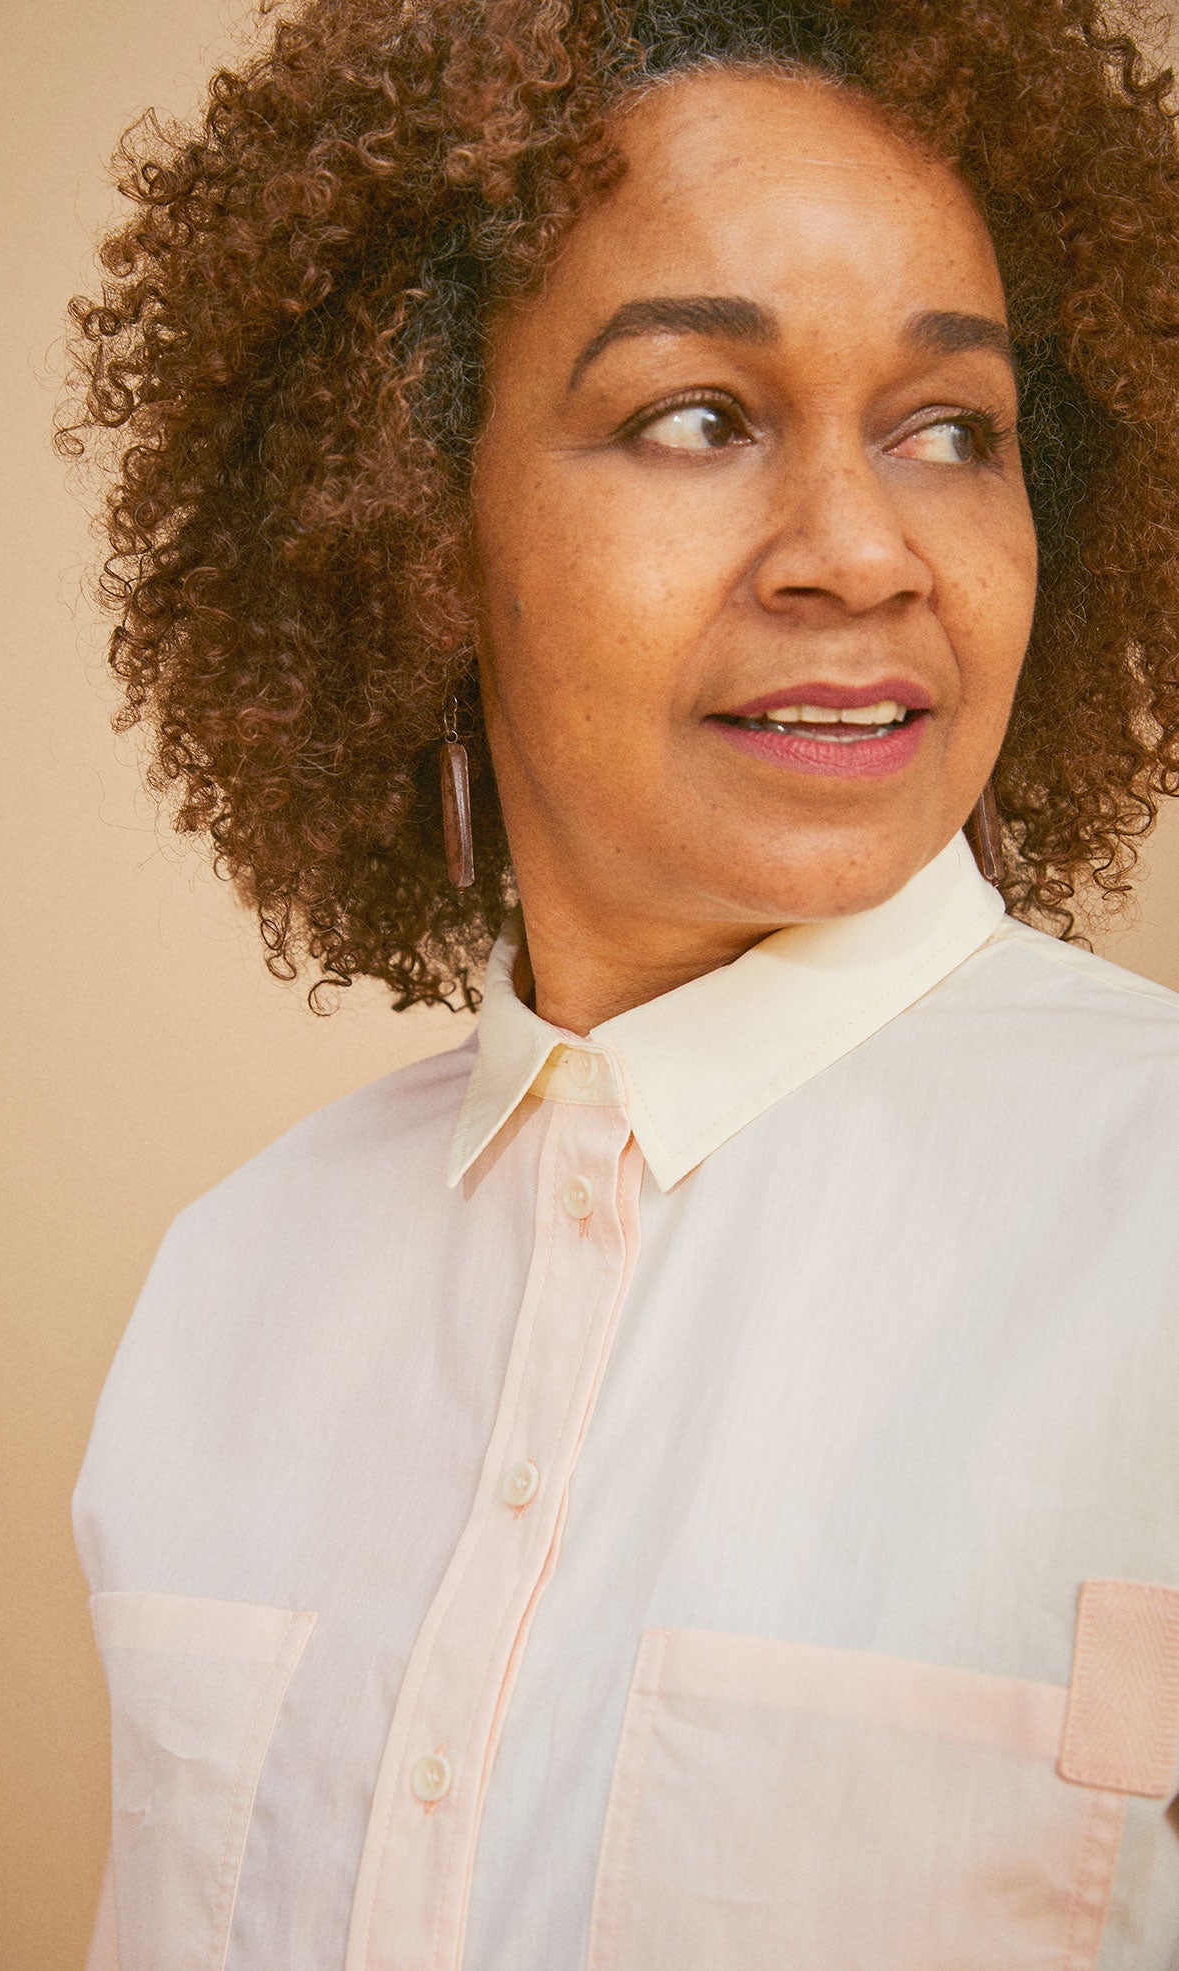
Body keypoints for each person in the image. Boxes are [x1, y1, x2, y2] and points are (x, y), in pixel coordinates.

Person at [58, 2, 1179, 1965]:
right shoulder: (226, 1292)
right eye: (698, 417)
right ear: (409, 521)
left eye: (953, 430)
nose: (863, 551)